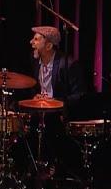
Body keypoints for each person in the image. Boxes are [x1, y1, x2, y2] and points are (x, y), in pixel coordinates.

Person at [28, 26, 85, 180]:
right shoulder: (35, 62)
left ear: (48, 45)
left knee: (48, 124)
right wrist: (37, 97)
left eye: (36, 39)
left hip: (61, 114)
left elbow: (79, 96)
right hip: (42, 110)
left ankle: (54, 169)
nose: (31, 42)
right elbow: (35, 87)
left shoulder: (68, 64)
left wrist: (54, 101)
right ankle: (34, 168)